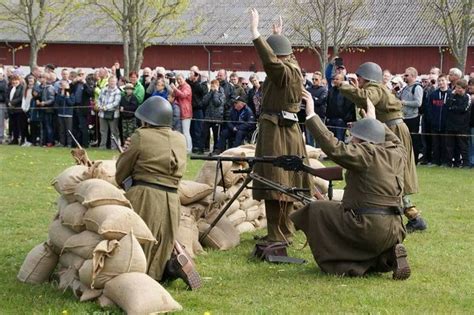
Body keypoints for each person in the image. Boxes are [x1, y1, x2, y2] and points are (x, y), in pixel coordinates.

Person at [291, 90, 410, 280]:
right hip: (395, 228)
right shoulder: (397, 152)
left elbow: (333, 147)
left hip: (369, 227)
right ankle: (387, 256)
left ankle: (344, 263)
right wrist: (372, 121)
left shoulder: (364, 154)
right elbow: (390, 138)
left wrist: (311, 114)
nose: (351, 139)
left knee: (316, 210)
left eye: (354, 136)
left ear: (363, 140)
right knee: (346, 215)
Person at [115, 96, 201, 289]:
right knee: (164, 241)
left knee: (139, 238)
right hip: (172, 198)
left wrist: (125, 156)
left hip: (144, 194)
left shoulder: (140, 136)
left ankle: (139, 275)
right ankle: (165, 271)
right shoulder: (179, 139)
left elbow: (122, 170)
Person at [336, 62, 426, 232]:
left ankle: (412, 216)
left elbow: (366, 98)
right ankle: (413, 215)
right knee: (391, 174)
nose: (358, 81)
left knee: (391, 174)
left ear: (366, 78)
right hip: (391, 129)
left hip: (392, 131)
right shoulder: (378, 87)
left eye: (360, 78)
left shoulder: (375, 88)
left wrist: (344, 86)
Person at [250, 8, 313, 244]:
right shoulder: (293, 67)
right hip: (288, 131)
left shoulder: (282, 72)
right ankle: (283, 231)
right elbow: (284, 57)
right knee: (285, 183)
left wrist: (256, 33)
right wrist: (279, 36)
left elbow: (271, 62)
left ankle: (277, 235)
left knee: (273, 182)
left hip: (276, 131)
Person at [445, 79, 471, 168]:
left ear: (464, 89)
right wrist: (452, 96)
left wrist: (453, 108)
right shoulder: (451, 95)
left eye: (460, 88)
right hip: (450, 125)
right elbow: (447, 106)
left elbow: (463, 108)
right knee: (450, 146)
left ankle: (465, 163)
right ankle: (450, 163)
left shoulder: (467, 97)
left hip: (462, 126)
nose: (458, 90)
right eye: (457, 87)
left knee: (463, 146)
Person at [97, 76, 121, 149]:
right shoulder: (103, 90)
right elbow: (99, 99)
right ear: (108, 82)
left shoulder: (118, 91)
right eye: (111, 81)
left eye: (113, 81)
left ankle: (114, 147)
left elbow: (116, 103)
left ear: (116, 82)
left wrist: (106, 107)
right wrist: (99, 106)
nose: (112, 83)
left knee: (114, 131)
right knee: (103, 131)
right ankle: (102, 146)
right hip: (102, 114)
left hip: (113, 114)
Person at [171, 73, 193, 153]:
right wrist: (174, 88)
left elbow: (183, 95)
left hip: (186, 112)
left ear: (184, 78)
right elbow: (173, 95)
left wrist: (175, 89)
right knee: (182, 132)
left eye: (180, 79)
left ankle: (189, 149)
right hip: (180, 111)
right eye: (177, 80)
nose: (179, 81)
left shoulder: (187, 86)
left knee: (186, 131)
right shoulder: (179, 87)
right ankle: (185, 148)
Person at [6, 74, 26, 145]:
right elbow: (7, 96)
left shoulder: (22, 88)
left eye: (16, 80)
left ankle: (22, 139)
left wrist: (12, 103)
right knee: (13, 125)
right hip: (11, 110)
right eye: (13, 80)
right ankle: (15, 139)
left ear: (19, 81)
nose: (14, 82)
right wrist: (8, 102)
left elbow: (20, 98)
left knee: (20, 125)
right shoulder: (10, 88)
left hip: (19, 110)